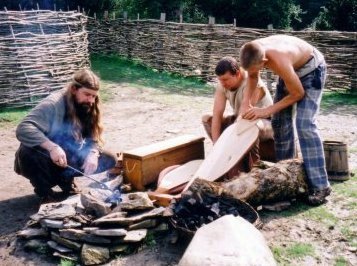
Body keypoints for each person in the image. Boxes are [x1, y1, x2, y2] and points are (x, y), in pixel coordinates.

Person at [239, 34, 331, 205]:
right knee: (279, 123)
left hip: (312, 69)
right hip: (291, 71)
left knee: (305, 124)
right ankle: (286, 179)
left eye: (258, 68)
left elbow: (298, 94)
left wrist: (266, 110)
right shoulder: (252, 51)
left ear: (264, 61)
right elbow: (252, 76)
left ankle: (320, 186)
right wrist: (246, 104)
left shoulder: (279, 60)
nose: (255, 72)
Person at [14, 69, 117, 201]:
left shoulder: (89, 105)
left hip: (68, 156)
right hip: (44, 157)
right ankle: (44, 191)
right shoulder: (53, 104)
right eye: (87, 94)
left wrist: (93, 153)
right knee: (28, 152)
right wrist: (52, 147)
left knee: (110, 158)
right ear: (74, 89)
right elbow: (24, 128)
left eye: (93, 96)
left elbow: (94, 135)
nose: (91, 100)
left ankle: (66, 181)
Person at [202, 56, 275, 176]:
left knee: (249, 126)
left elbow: (244, 116)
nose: (223, 83)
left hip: (266, 123)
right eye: (220, 80)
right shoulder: (222, 85)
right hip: (240, 119)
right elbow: (217, 114)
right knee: (207, 118)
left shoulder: (252, 82)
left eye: (225, 80)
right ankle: (226, 161)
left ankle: (253, 170)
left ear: (237, 74)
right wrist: (216, 147)